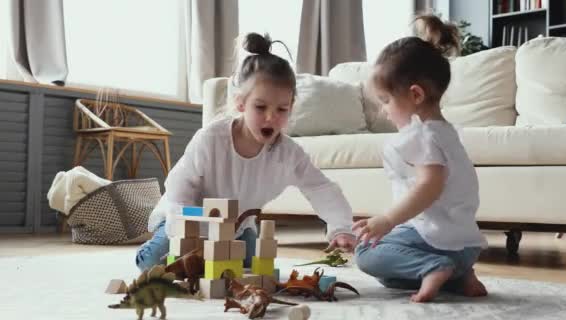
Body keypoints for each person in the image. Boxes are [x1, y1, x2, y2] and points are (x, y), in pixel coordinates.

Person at [135, 33, 356, 272]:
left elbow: (321, 188)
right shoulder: (211, 139)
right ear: (241, 104)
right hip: (186, 219)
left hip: (236, 228)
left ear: (291, 107)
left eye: (281, 109)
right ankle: (154, 247)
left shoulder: (288, 154)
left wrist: (341, 227)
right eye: (261, 107)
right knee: (155, 264)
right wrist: (188, 230)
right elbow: (181, 185)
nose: (271, 117)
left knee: (248, 265)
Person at [353, 35, 488, 302]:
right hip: (466, 247)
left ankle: (434, 267)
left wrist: (388, 220)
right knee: (389, 277)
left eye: (386, 101)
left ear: (415, 95)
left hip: (435, 242)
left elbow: (430, 185)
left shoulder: (421, 135)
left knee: (367, 253)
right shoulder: (446, 133)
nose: (384, 111)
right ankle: (461, 277)